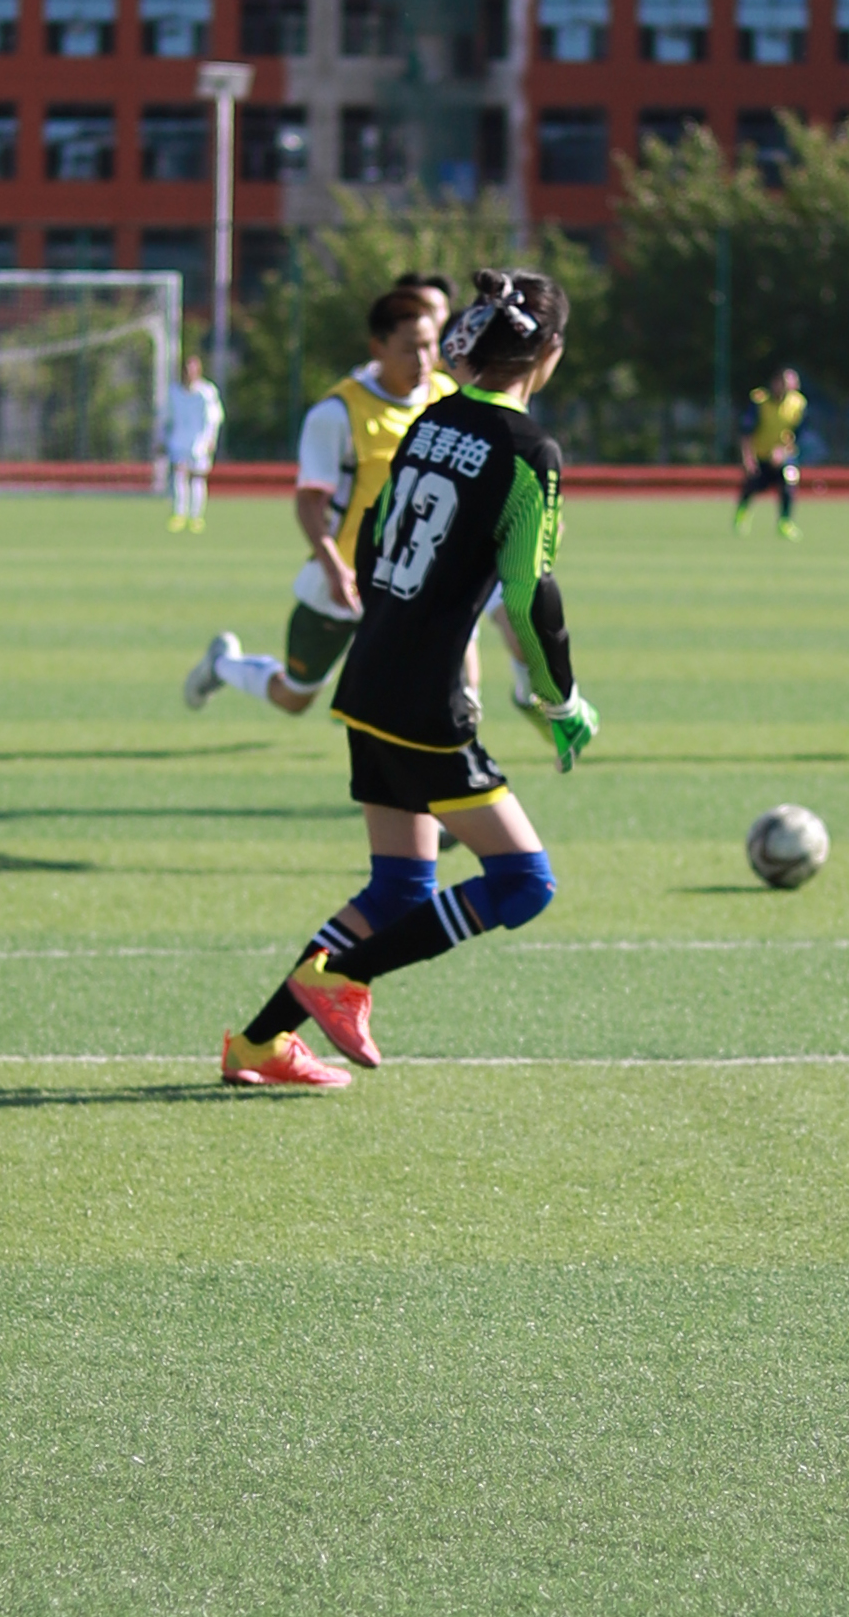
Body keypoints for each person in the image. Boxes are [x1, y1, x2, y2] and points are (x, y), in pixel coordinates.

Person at [220, 270, 599, 1088]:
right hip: (427, 700)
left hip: (370, 676)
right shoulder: (530, 451)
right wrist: (561, 697)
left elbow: (374, 532)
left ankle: (257, 1045)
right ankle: (343, 977)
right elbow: (531, 594)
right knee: (524, 883)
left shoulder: (432, 418)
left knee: (397, 887)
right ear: (551, 353)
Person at [185, 281, 452, 718]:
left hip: (411, 583)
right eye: (409, 349)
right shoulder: (337, 414)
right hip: (343, 580)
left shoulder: (448, 400)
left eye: (430, 346)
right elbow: (310, 502)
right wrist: (333, 567)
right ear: (378, 347)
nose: (423, 360)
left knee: (422, 690)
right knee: (295, 696)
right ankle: (223, 665)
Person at [734, 366, 808, 537]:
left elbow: (799, 435)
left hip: (783, 456)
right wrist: (748, 457)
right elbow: (746, 432)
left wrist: (783, 452)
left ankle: (785, 521)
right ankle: (742, 514)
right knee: (753, 485)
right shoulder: (760, 401)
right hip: (761, 455)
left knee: (789, 479)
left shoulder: (798, 404)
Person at [163, 349, 226, 533]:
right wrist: (163, 438)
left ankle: (196, 516)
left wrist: (211, 439)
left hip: (199, 443)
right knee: (179, 477)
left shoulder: (207, 392)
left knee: (197, 478)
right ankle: (179, 514)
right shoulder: (174, 392)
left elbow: (214, 418)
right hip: (179, 441)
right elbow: (167, 417)